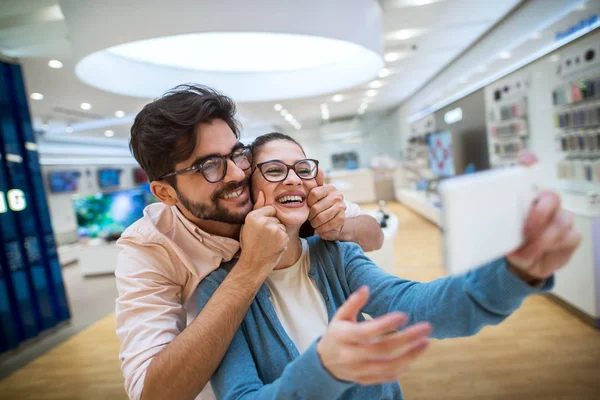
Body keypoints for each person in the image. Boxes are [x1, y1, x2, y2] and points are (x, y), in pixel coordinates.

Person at [196, 132, 581, 400]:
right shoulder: (218, 288)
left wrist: (515, 271)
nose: (293, 179)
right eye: (276, 170)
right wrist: (325, 367)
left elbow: (419, 305)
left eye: (303, 168)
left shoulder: (336, 256)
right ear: (249, 188)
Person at [115, 85, 384, 400]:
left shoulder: (262, 186)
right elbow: (152, 393)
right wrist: (252, 266)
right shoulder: (149, 246)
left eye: (235, 154)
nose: (235, 174)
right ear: (166, 193)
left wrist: (338, 226)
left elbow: (373, 234)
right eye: (208, 166)